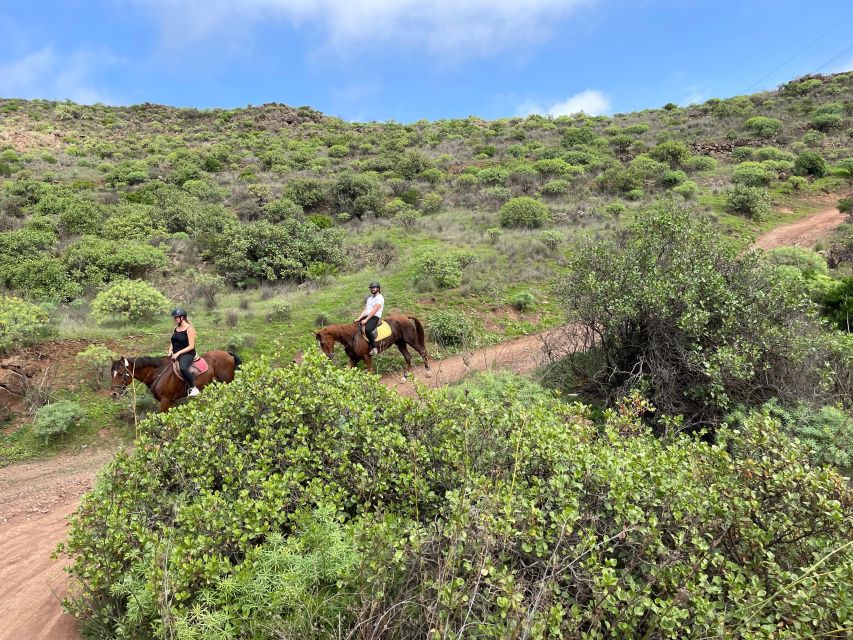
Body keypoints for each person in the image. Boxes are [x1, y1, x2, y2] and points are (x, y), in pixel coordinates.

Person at [169, 308, 200, 397]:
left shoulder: (189, 329)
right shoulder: (176, 328)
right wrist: (170, 350)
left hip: (187, 353)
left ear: (182, 317)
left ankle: (194, 388)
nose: (174, 319)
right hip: (175, 353)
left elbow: (191, 346)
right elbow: (173, 341)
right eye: (174, 318)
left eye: (176, 317)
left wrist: (178, 353)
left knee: (183, 368)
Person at [358, 282, 384, 356]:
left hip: (374, 316)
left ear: (378, 288)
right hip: (367, 315)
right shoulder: (369, 298)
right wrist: (359, 318)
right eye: (371, 288)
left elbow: (375, 310)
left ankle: (374, 348)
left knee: (368, 329)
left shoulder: (380, 297)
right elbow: (365, 309)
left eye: (374, 287)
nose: (372, 289)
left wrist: (366, 320)